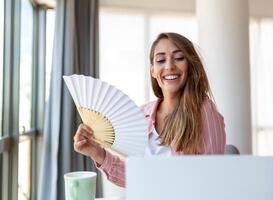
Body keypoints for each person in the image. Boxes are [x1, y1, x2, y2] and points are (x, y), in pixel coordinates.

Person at [73, 32, 226, 187]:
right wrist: (97, 153)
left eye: (179, 58)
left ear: (190, 66)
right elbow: (137, 179)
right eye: (160, 60)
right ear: (153, 71)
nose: (169, 66)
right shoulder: (141, 114)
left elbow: (213, 178)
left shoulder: (204, 111)